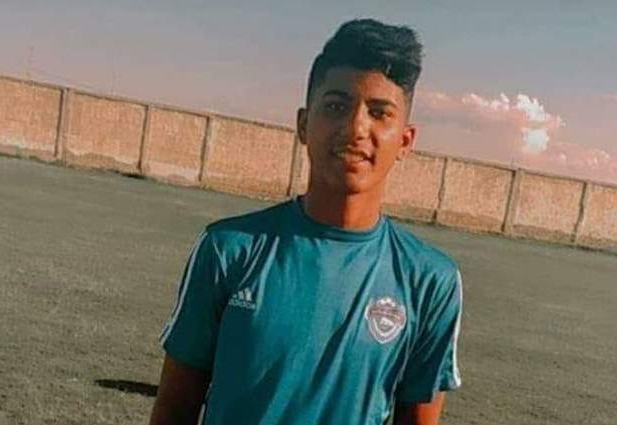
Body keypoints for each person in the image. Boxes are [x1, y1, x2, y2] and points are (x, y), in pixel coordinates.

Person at [149, 18, 463, 425]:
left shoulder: (430, 281)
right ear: (303, 124)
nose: (356, 128)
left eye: (379, 113)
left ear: (405, 140)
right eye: (336, 106)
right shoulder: (228, 249)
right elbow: (174, 409)